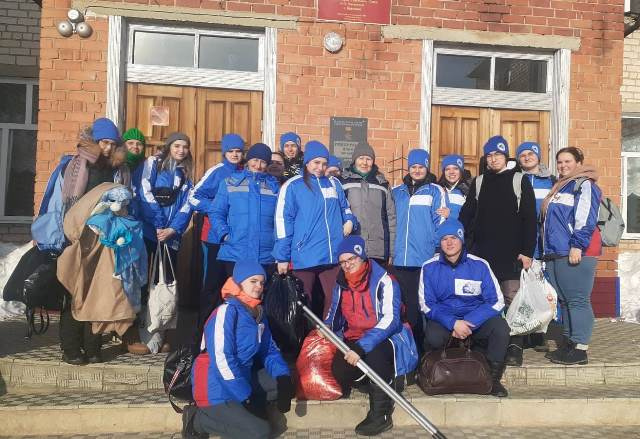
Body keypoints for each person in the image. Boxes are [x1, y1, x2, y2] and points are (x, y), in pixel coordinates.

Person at [32, 117, 127, 365]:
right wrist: (54, 240)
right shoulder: (73, 166)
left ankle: (93, 346)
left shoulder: (117, 170)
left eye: (112, 144)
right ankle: (71, 348)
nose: (107, 148)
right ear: (94, 140)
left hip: (103, 241)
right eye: (103, 142)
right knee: (73, 292)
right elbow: (55, 203)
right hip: (73, 238)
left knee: (98, 292)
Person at [185, 261, 295, 439]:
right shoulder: (226, 312)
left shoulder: (258, 314)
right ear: (239, 282)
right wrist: (246, 397)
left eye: (261, 282)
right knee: (260, 432)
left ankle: (244, 412)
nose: (259, 286)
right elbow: (222, 360)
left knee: (285, 384)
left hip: (242, 378)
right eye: (253, 281)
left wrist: (283, 377)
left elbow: (269, 351)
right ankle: (198, 420)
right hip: (215, 388)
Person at [325, 236, 418, 436]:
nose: (347, 265)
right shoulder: (341, 283)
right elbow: (333, 312)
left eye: (351, 259)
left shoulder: (385, 280)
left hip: (388, 336)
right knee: (340, 371)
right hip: (356, 336)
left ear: (362, 257)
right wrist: (325, 328)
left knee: (375, 355)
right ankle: (379, 382)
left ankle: (381, 414)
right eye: (342, 261)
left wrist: (361, 347)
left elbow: (391, 320)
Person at [459, 135, 537, 367]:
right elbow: (466, 215)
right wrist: (463, 244)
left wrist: (527, 251)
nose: (493, 159)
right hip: (483, 255)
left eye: (498, 155)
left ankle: (514, 346)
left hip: (512, 254)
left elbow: (529, 218)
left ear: (506, 157)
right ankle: (486, 343)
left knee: (512, 299)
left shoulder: (519, 180)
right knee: (484, 299)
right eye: (490, 156)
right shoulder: (479, 182)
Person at [419, 219, 510, 397]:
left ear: (461, 239)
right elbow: (427, 304)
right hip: (446, 320)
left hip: (475, 320)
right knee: (433, 336)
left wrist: (468, 322)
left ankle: (492, 379)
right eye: (444, 239)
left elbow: (497, 301)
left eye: (454, 237)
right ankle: (436, 374)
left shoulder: (480, 265)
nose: (449, 243)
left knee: (500, 328)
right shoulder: (429, 267)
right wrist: (453, 323)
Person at [273, 140, 358, 316]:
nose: (320, 167)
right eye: (316, 162)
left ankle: (327, 332)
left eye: (324, 163)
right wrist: (282, 257)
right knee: (304, 301)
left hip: (332, 255)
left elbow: (346, 208)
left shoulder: (334, 184)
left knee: (334, 299)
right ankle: (304, 333)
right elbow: (283, 222)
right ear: (307, 162)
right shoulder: (293, 186)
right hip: (304, 255)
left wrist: (349, 221)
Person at [541, 147, 602, 365]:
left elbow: (585, 217)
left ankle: (580, 349)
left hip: (575, 250)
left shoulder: (584, 184)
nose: (563, 165)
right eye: (560, 162)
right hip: (556, 251)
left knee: (577, 299)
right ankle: (569, 343)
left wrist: (577, 245)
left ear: (579, 163)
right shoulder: (560, 186)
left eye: (568, 161)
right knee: (565, 301)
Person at [138, 132, 194, 353]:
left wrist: (173, 229)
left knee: (167, 283)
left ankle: (163, 331)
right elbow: (145, 191)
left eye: (185, 147)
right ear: (169, 146)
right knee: (146, 281)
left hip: (170, 237)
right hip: (151, 232)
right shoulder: (154, 163)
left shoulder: (186, 173)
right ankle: (144, 330)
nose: (181, 150)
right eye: (177, 145)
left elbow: (187, 205)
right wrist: (159, 223)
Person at [391, 148, 446, 351]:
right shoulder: (396, 192)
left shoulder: (435, 191)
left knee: (424, 305)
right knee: (405, 306)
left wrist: (437, 251)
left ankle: (426, 349)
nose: (417, 170)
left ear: (427, 168)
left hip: (424, 258)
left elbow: (440, 223)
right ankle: (408, 349)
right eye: (413, 166)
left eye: (421, 166)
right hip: (400, 259)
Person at [189, 133, 245, 329]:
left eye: (238, 151)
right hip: (213, 238)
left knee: (233, 285)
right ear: (224, 152)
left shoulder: (245, 172)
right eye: (231, 151)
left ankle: (228, 327)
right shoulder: (217, 172)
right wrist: (216, 207)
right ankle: (203, 329)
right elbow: (193, 197)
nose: (235, 155)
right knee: (211, 285)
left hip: (236, 239)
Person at [209, 143, 280, 281]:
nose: (258, 165)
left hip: (265, 253)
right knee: (235, 291)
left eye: (263, 162)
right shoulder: (229, 183)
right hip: (235, 251)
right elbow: (216, 212)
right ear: (248, 160)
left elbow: (281, 219)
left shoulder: (274, 187)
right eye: (255, 160)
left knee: (261, 292)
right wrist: (224, 234)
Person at [516, 141, 556, 351]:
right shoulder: (515, 180)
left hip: (544, 244)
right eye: (522, 155)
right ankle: (522, 331)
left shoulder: (551, 181)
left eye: (530, 153)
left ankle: (540, 332)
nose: (527, 157)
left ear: (538, 157)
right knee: (522, 289)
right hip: (522, 243)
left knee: (541, 289)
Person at [340, 142, 396, 266]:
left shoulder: (383, 184)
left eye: (368, 159)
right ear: (354, 160)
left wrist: (392, 252)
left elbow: (391, 219)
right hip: (351, 248)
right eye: (361, 158)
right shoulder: (343, 182)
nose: (364, 162)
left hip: (378, 250)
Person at [436, 154, 470, 221]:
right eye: (447, 169)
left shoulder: (468, 191)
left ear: (461, 171)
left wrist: (451, 215)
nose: (451, 172)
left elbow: (471, 218)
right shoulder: (437, 189)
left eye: (455, 168)